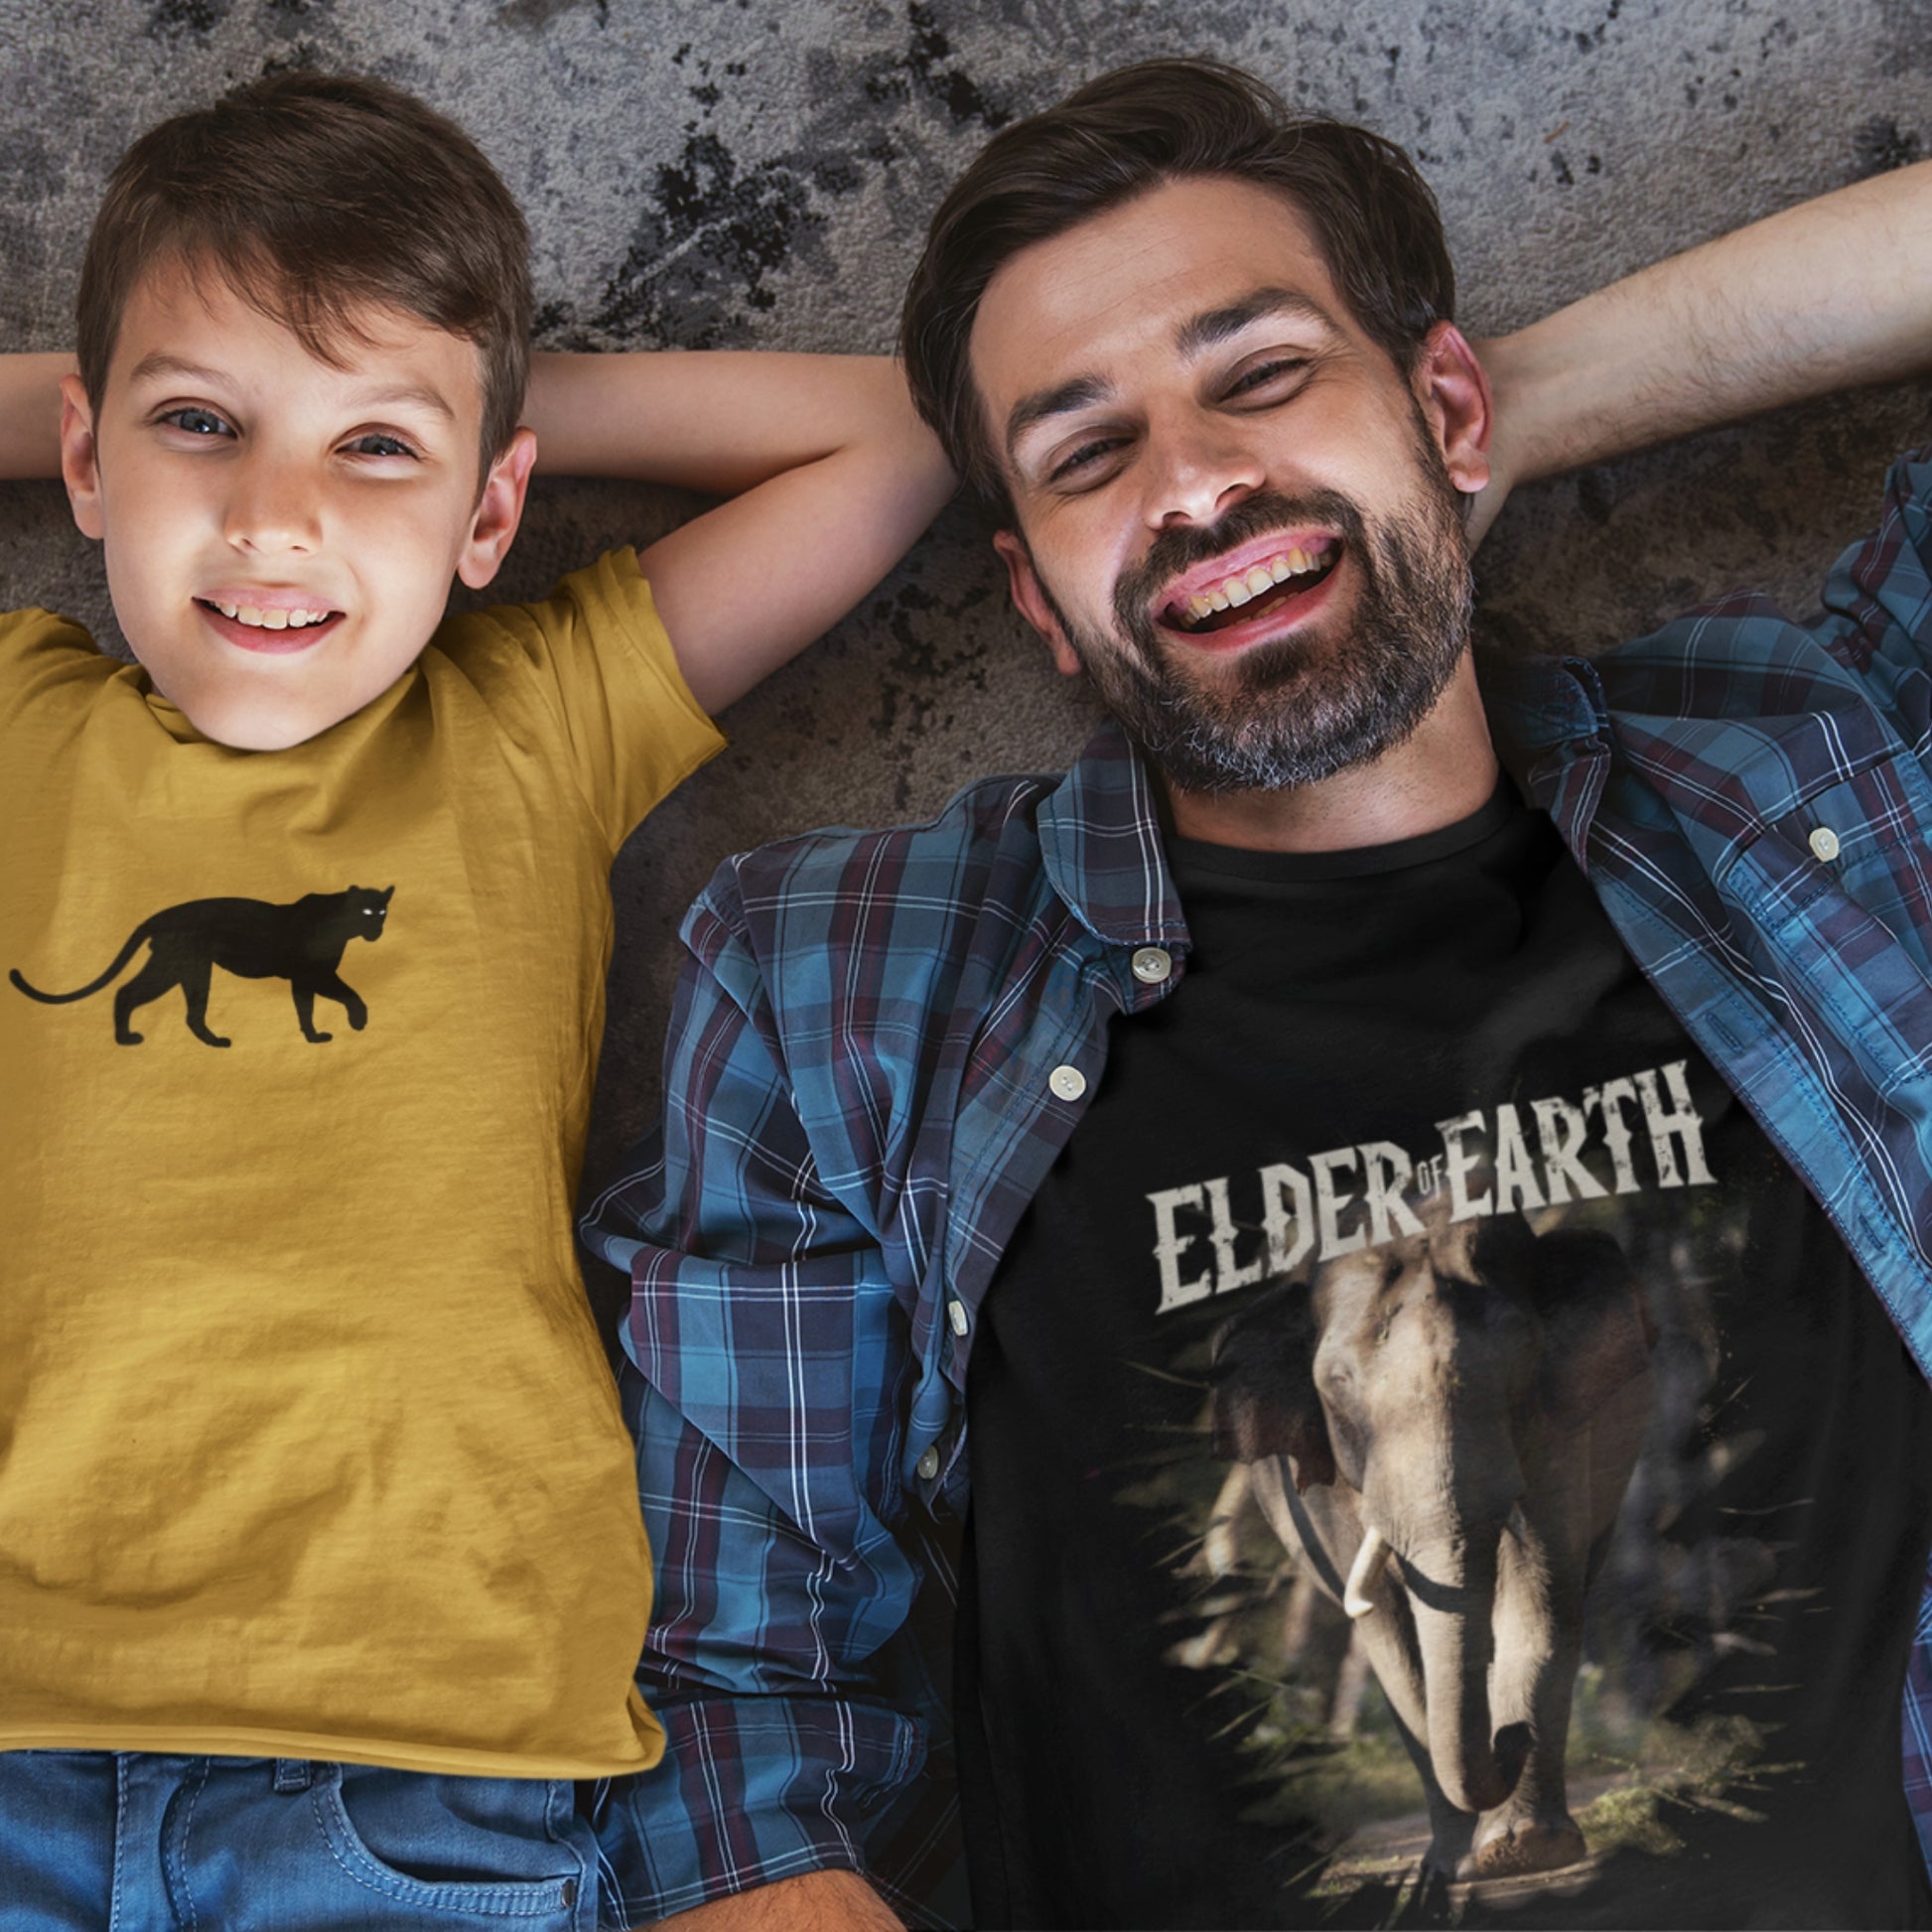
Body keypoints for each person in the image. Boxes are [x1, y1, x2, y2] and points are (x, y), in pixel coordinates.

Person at [582, 58, 1932, 1931]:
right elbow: (726, 1715)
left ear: (1448, 396)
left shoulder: (1815, 775)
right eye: (1085, 453)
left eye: (1261, 371)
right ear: (1040, 607)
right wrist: (1350, 454)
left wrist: (1489, 436)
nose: (1196, 483)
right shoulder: (844, 984)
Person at [0, 69, 948, 1927]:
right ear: (84, 454)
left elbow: (914, 434)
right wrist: (308, 390)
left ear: (497, 507)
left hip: (426, 1754)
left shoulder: (536, 716)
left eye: (372, 452)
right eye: (204, 426)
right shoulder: (23, 718)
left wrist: (481, 391)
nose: (275, 519)